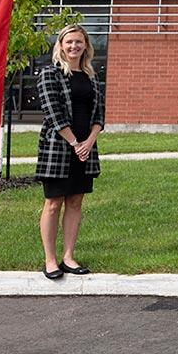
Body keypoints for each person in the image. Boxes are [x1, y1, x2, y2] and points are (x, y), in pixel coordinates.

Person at [35, 24, 105, 280]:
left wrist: (88, 142)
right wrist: (75, 143)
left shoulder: (91, 76)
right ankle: (50, 260)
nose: (74, 46)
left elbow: (99, 115)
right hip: (58, 148)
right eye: (69, 42)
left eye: (79, 42)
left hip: (86, 148)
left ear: (86, 45)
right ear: (61, 45)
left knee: (75, 202)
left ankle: (68, 257)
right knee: (53, 203)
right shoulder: (50, 74)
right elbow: (53, 113)